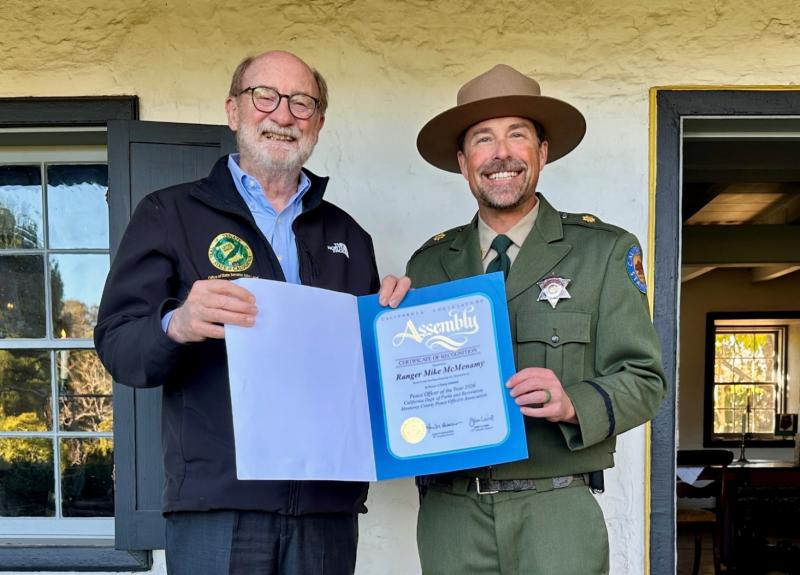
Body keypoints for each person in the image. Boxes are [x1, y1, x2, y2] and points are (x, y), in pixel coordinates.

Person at [94, 50, 409, 575]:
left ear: (319, 122)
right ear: (234, 111)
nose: (283, 115)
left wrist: (397, 324)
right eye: (265, 97)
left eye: (302, 103)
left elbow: (366, 373)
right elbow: (120, 348)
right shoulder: (168, 213)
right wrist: (177, 324)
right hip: (219, 505)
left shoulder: (349, 236)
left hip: (325, 506)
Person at [405, 64, 667, 574]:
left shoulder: (604, 253)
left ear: (542, 153)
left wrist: (574, 403)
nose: (501, 153)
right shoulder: (428, 265)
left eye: (517, 135)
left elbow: (645, 380)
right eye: (483, 139)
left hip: (555, 511)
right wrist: (386, 320)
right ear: (463, 162)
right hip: (449, 515)